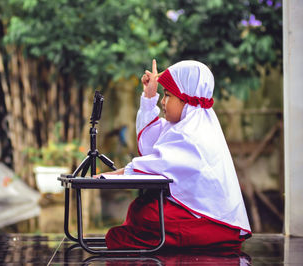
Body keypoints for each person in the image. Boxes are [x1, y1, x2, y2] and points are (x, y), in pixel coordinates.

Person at [98, 59, 252, 252]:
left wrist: (110, 175)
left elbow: (157, 164)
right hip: (200, 215)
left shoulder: (192, 133)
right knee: (141, 209)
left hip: (213, 222)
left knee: (145, 215)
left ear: (186, 98)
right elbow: (150, 144)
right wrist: (149, 95)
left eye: (168, 95)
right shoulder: (184, 125)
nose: (163, 101)